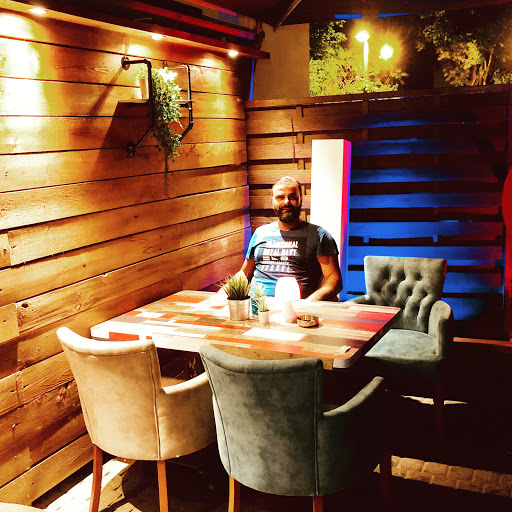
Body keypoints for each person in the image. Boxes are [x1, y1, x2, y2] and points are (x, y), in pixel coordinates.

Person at [240, 176, 342, 301]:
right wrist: (222, 297)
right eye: (280, 197)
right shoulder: (260, 233)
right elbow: (244, 274)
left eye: (292, 197)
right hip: (256, 307)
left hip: (296, 309)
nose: (286, 202)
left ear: (301, 200)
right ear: (273, 202)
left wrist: (308, 304)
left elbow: (334, 280)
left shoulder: (319, 236)